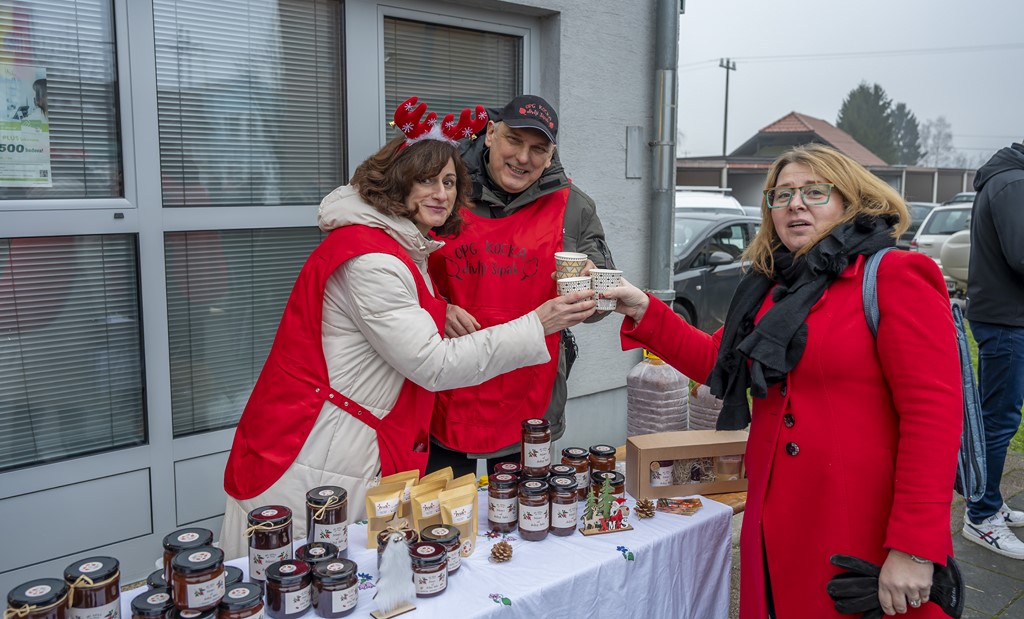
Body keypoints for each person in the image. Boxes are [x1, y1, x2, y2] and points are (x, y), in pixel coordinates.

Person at [219, 97, 596, 557]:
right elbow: (430, 360)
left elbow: (399, 311)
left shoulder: (396, 241)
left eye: (449, 183)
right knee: (302, 569)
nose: (441, 194)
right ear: (491, 136)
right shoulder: (373, 257)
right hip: (320, 448)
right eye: (427, 181)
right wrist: (537, 323)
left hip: (370, 435)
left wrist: (439, 310)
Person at [602, 144, 962, 618]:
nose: (795, 204)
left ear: (850, 200)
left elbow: (933, 418)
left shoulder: (893, 276)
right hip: (777, 521)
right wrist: (646, 309)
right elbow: (722, 362)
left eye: (815, 191)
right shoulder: (774, 286)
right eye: (782, 194)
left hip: (857, 528)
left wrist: (915, 548)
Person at [425, 94, 614, 474]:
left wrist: (594, 290)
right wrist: (435, 309)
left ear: (551, 154)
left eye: (538, 149)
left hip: (530, 391)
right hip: (446, 387)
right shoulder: (443, 190)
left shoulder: (574, 207)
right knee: (441, 520)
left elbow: (602, 303)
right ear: (491, 134)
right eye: (514, 140)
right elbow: (397, 273)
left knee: (517, 517)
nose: (523, 158)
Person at [961, 140, 1024, 559]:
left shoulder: (1006, 179)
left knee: (995, 417)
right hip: (1007, 320)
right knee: (998, 419)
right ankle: (980, 516)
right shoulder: (1013, 182)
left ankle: (987, 496)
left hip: (1005, 317)